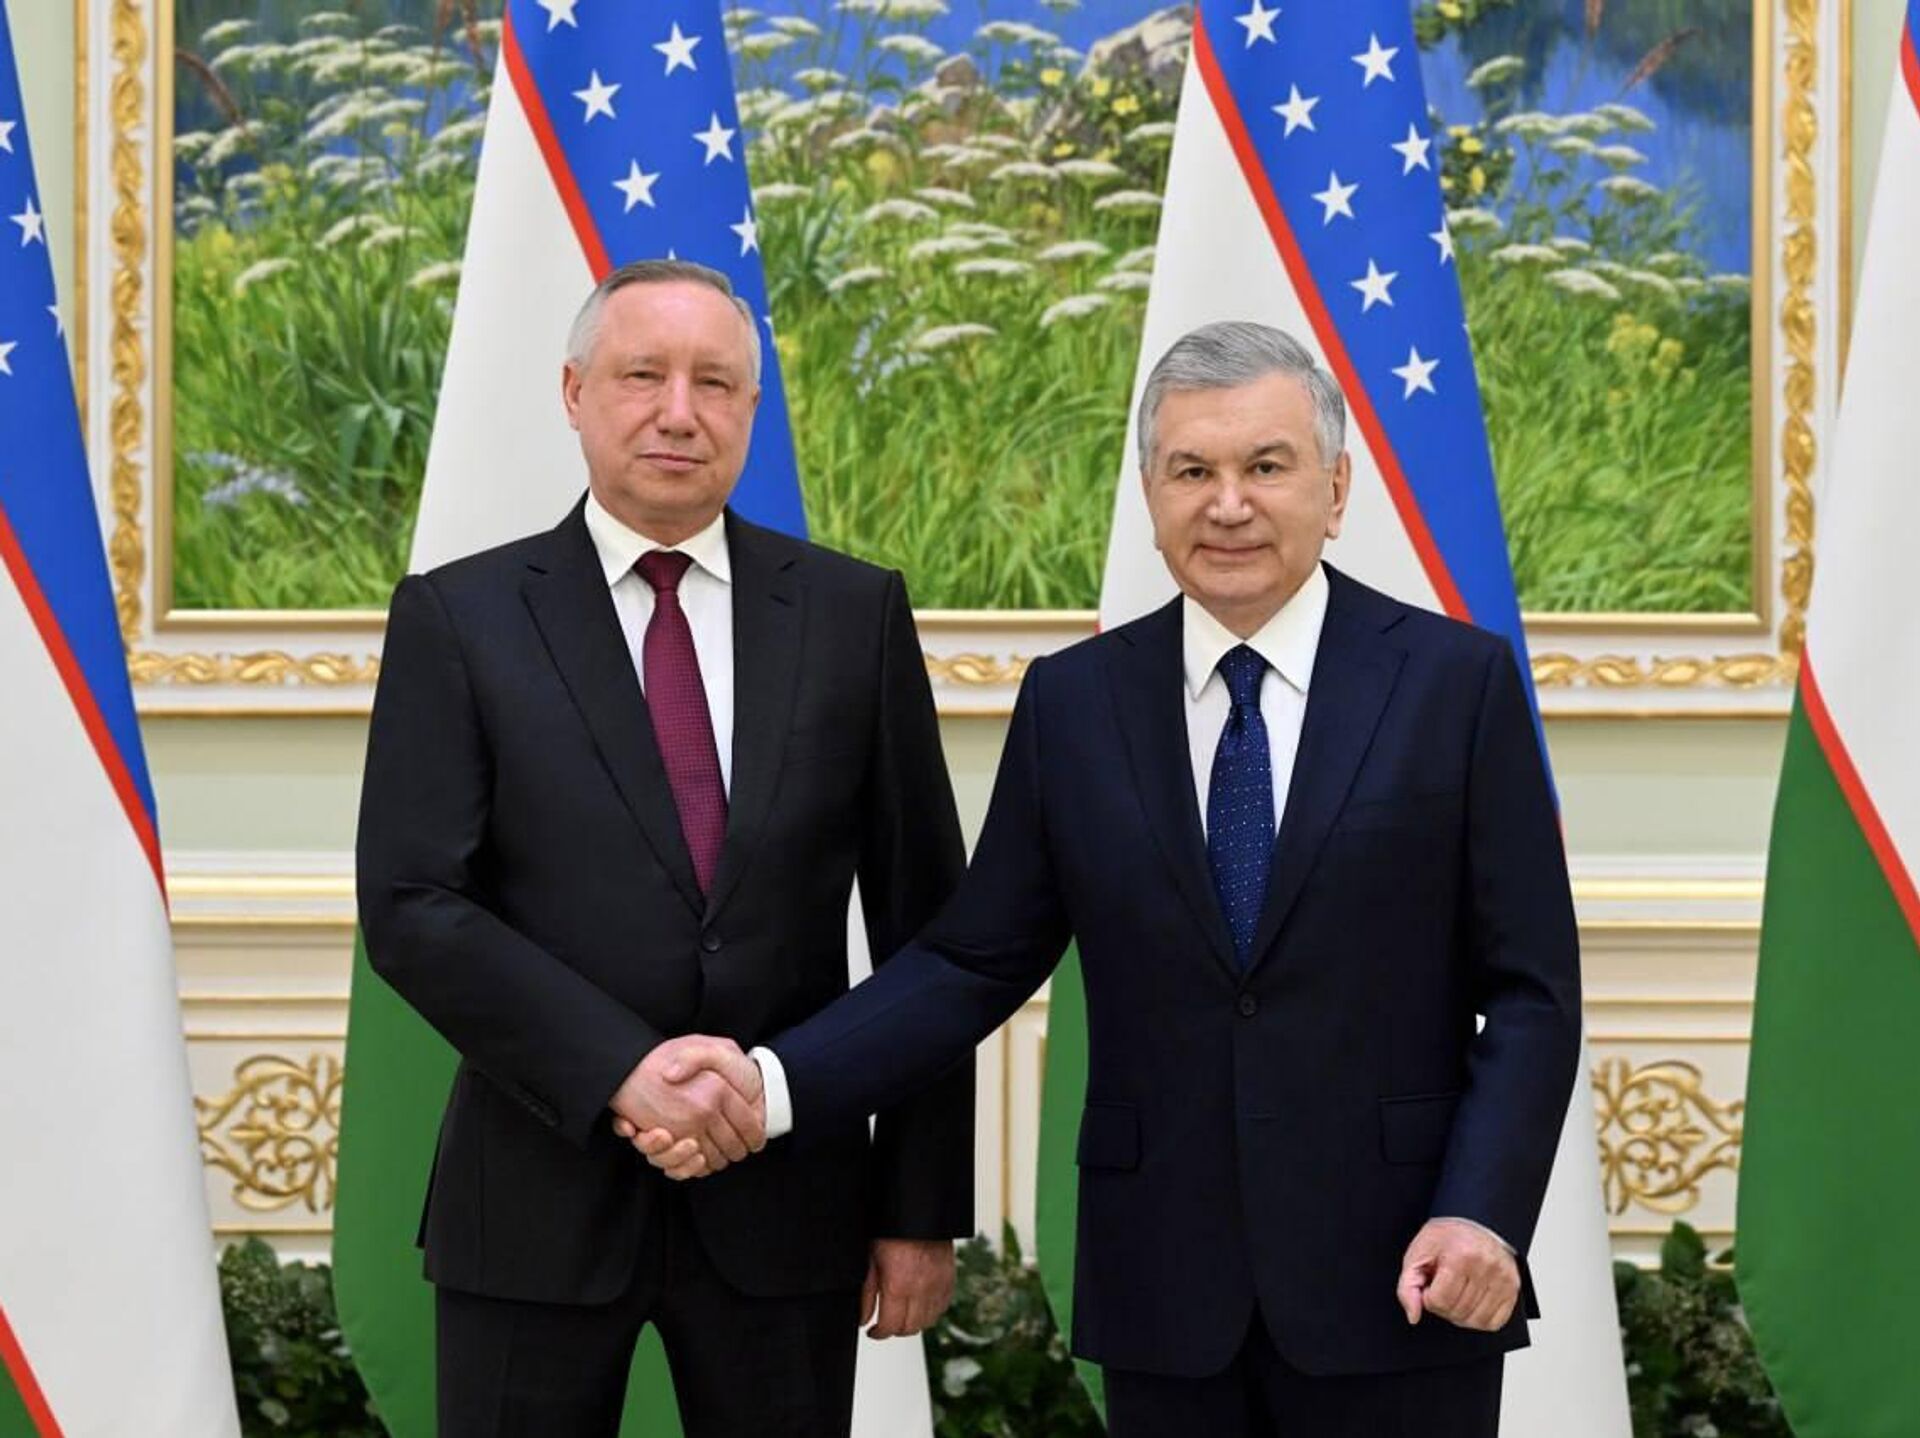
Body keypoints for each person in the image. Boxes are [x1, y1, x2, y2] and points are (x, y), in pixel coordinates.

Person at [634, 322, 1583, 1437]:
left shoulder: (1456, 686)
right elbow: (969, 961)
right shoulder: (1074, 702)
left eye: (1265, 466)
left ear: (1334, 491)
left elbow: (1532, 992)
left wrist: (1483, 1213)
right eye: (1192, 471)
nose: (1228, 504)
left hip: (1407, 1270)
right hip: (1165, 1286)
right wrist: (770, 1083)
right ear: (1150, 495)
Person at [355, 258, 972, 1438]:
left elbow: (928, 931)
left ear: (753, 409)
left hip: (788, 1201)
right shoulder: (460, 617)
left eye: (716, 383)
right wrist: (621, 1070)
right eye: (643, 375)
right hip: (535, 1199)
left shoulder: (853, 616)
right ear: (575, 392)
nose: (679, 412)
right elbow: (414, 903)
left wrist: (919, 1205)